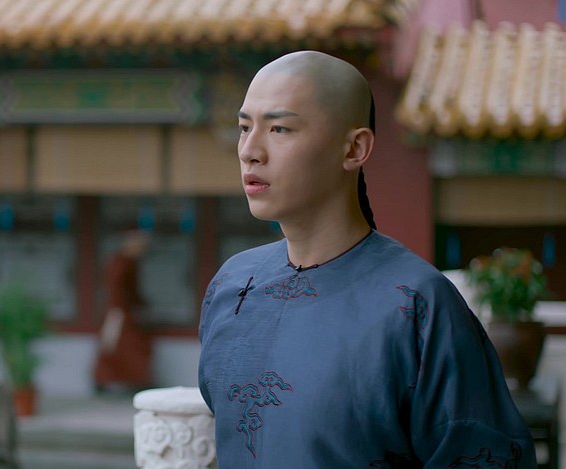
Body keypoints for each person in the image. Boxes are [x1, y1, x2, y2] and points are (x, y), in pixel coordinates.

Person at [197, 51, 536, 467]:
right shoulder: (233, 287)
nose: (250, 151)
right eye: (244, 128)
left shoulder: (419, 305)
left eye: (279, 128)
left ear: (355, 148)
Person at [94, 229, 153, 393]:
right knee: (117, 346)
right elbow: (116, 289)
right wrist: (116, 312)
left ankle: (134, 381)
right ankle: (105, 380)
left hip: (125, 311)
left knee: (129, 347)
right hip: (118, 312)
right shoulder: (120, 263)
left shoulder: (129, 263)